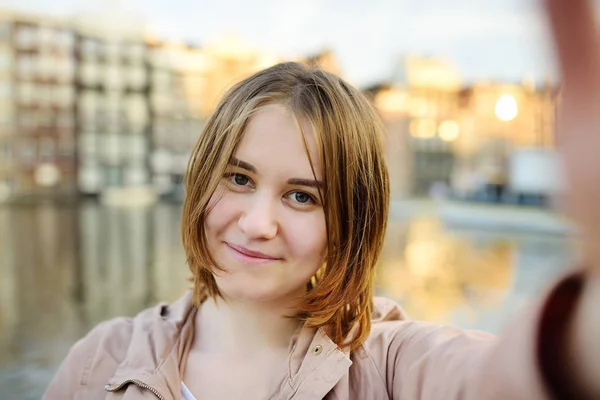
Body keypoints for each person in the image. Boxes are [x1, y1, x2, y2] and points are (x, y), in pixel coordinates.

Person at [44, 0, 600, 398]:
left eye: (302, 196)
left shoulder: (395, 369)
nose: (258, 223)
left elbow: (521, 375)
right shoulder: (100, 363)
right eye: (238, 179)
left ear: (351, 224)